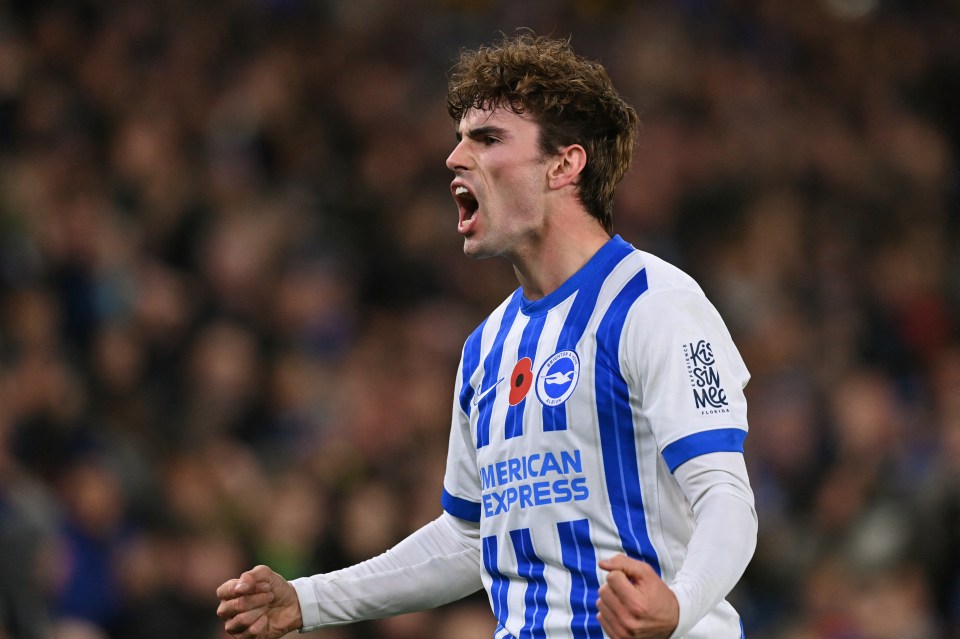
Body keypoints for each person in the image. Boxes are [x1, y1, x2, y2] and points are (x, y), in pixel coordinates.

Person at [216, 33, 757, 639]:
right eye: (458, 138)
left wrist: (679, 606)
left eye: (488, 139)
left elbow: (726, 496)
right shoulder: (486, 348)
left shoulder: (655, 306)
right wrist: (310, 600)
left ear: (564, 164)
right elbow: (471, 536)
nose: (454, 158)